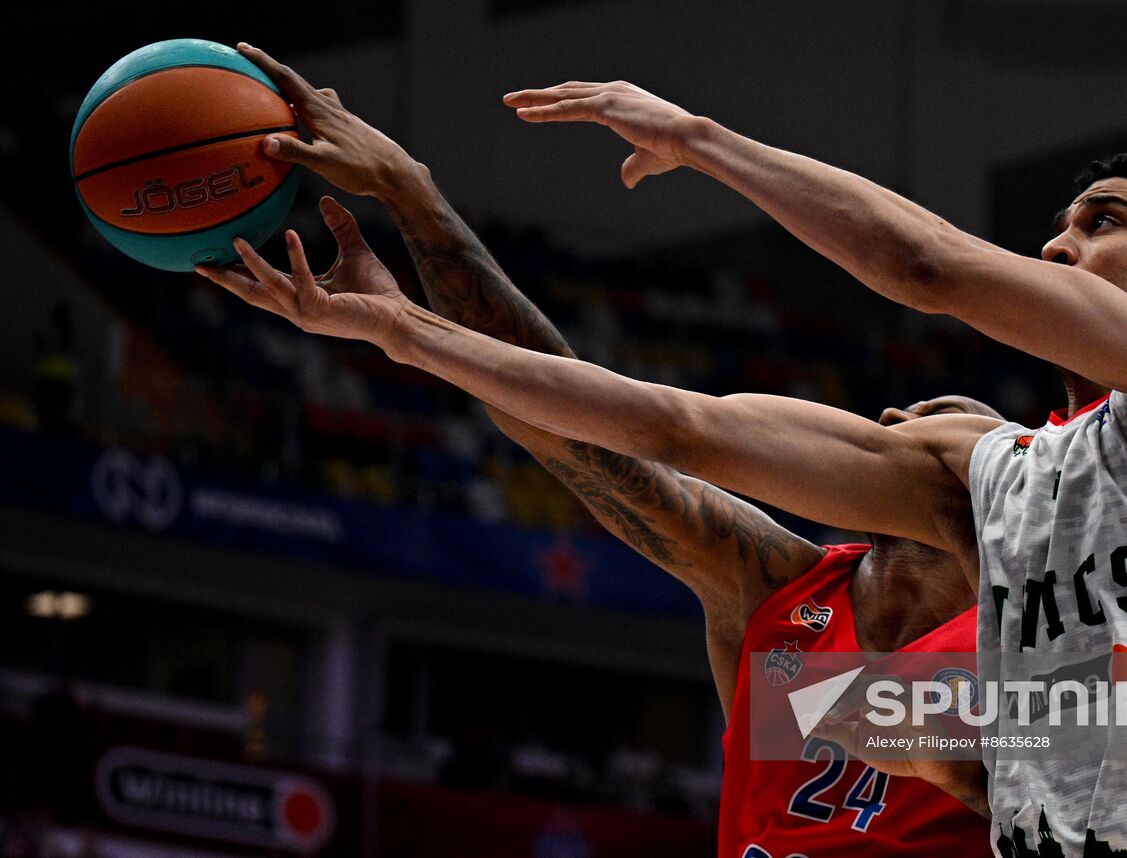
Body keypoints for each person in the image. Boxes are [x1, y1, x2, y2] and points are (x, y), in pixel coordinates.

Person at [492, 83, 1127, 857]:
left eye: (1101, 223)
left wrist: (697, 139)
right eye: (1063, 227)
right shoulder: (1005, 476)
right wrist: (411, 334)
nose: (1056, 245)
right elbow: (679, 430)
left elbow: (926, 266)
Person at [221, 45, 994, 856]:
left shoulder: (1045, 653)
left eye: (939, 423)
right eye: (897, 422)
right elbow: (576, 433)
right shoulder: (778, 593)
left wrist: (826, 704)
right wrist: (410, 196)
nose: (897, 415)